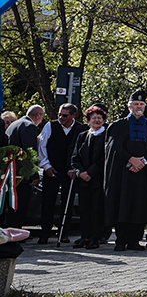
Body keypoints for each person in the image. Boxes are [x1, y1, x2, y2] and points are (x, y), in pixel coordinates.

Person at [104, 90, 147, 252]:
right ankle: (121, 240)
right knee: (122, 205)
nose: (138, 106)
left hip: (143, 174)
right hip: (123, 174)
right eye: (135, 104)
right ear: (129, 106)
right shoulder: (118, 125)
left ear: (145, 106)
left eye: (141, 104)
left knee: (140, 206)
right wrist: (131, 160)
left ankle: (135, 241)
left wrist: (142, 161)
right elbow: (114, 147)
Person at [36, 103, 87, 244]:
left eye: (65, 115)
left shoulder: (80, 128)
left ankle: (63, 233)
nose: (61, 118)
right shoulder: (50, 126)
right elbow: (42, 146)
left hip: (69, 171)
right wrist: (46, 166)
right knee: (48, 201)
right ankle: (45, 233)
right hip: (52, 168)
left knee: (67, 201)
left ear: (73, 115)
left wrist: (75, 168)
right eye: (59, 114)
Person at [69, 104, 109, 249]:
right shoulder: (82, 136)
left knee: (96, 210)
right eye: (93, 118)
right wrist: (81, 172)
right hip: (83, 180)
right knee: (84, 210)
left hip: (98, 180)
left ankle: (96, 238)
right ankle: (84, 236)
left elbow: (104, 158)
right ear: (88, 120)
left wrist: (90, 172)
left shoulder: (106, 136)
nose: (97, 121)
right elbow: (75, 157)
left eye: (99, 118)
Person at [2, 105, 44, 230]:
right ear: (38, 115)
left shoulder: (14, 125)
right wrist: (34, 174)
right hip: (21, 174)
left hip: (10, 171)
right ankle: (16, 232)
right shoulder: (28, 126)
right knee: (19, 205)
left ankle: (9, 230)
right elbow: (29, 151)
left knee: (10, 205)